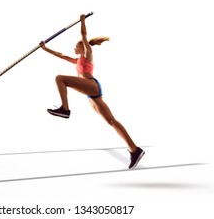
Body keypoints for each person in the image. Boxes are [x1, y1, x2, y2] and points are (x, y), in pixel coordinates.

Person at [39, 14, 145, 169]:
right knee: (111, 121)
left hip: (91, 84)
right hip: (91, 93)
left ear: (82, 47)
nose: (73, 49)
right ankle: (135, 150)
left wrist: (82, 20)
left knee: (60, 78)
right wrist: (44, 48)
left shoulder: (87, 54)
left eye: (75, 46)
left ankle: (65, 109)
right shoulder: (77, 61)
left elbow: (83, 35)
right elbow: (61, 56)